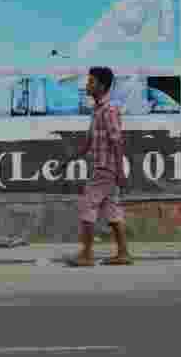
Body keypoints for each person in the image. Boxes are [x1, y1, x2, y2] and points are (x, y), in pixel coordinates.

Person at [66, 66, 132, 267]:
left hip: (106, 168)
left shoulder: (109, 110)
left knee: (88, 205)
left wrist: (120, 170)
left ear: (102, 86)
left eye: (91, 82)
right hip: (105, 168)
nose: (87, 85)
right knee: (112, 210)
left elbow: (117, 141)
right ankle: (123, 253)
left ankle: (86, 254)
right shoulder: (97, 110)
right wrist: (68, 160)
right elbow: (88, 143)